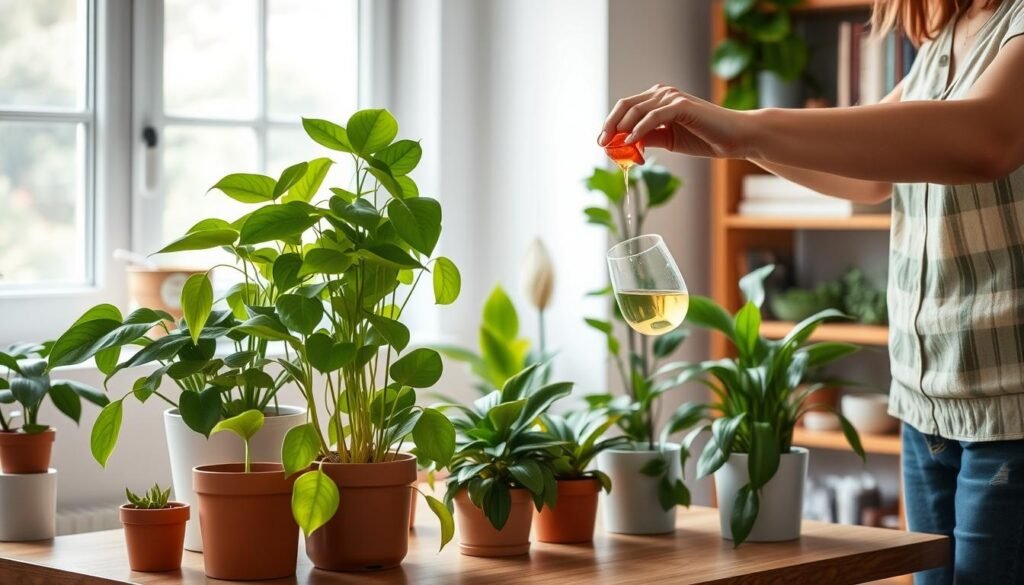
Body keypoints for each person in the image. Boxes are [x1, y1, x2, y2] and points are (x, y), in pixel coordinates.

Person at [599, 1, 1024, 584]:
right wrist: (736, 143)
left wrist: (747, 126)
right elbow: (869, 175)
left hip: (1012, 402)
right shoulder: (944, 38)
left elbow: (986, 138)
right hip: (928, 404)